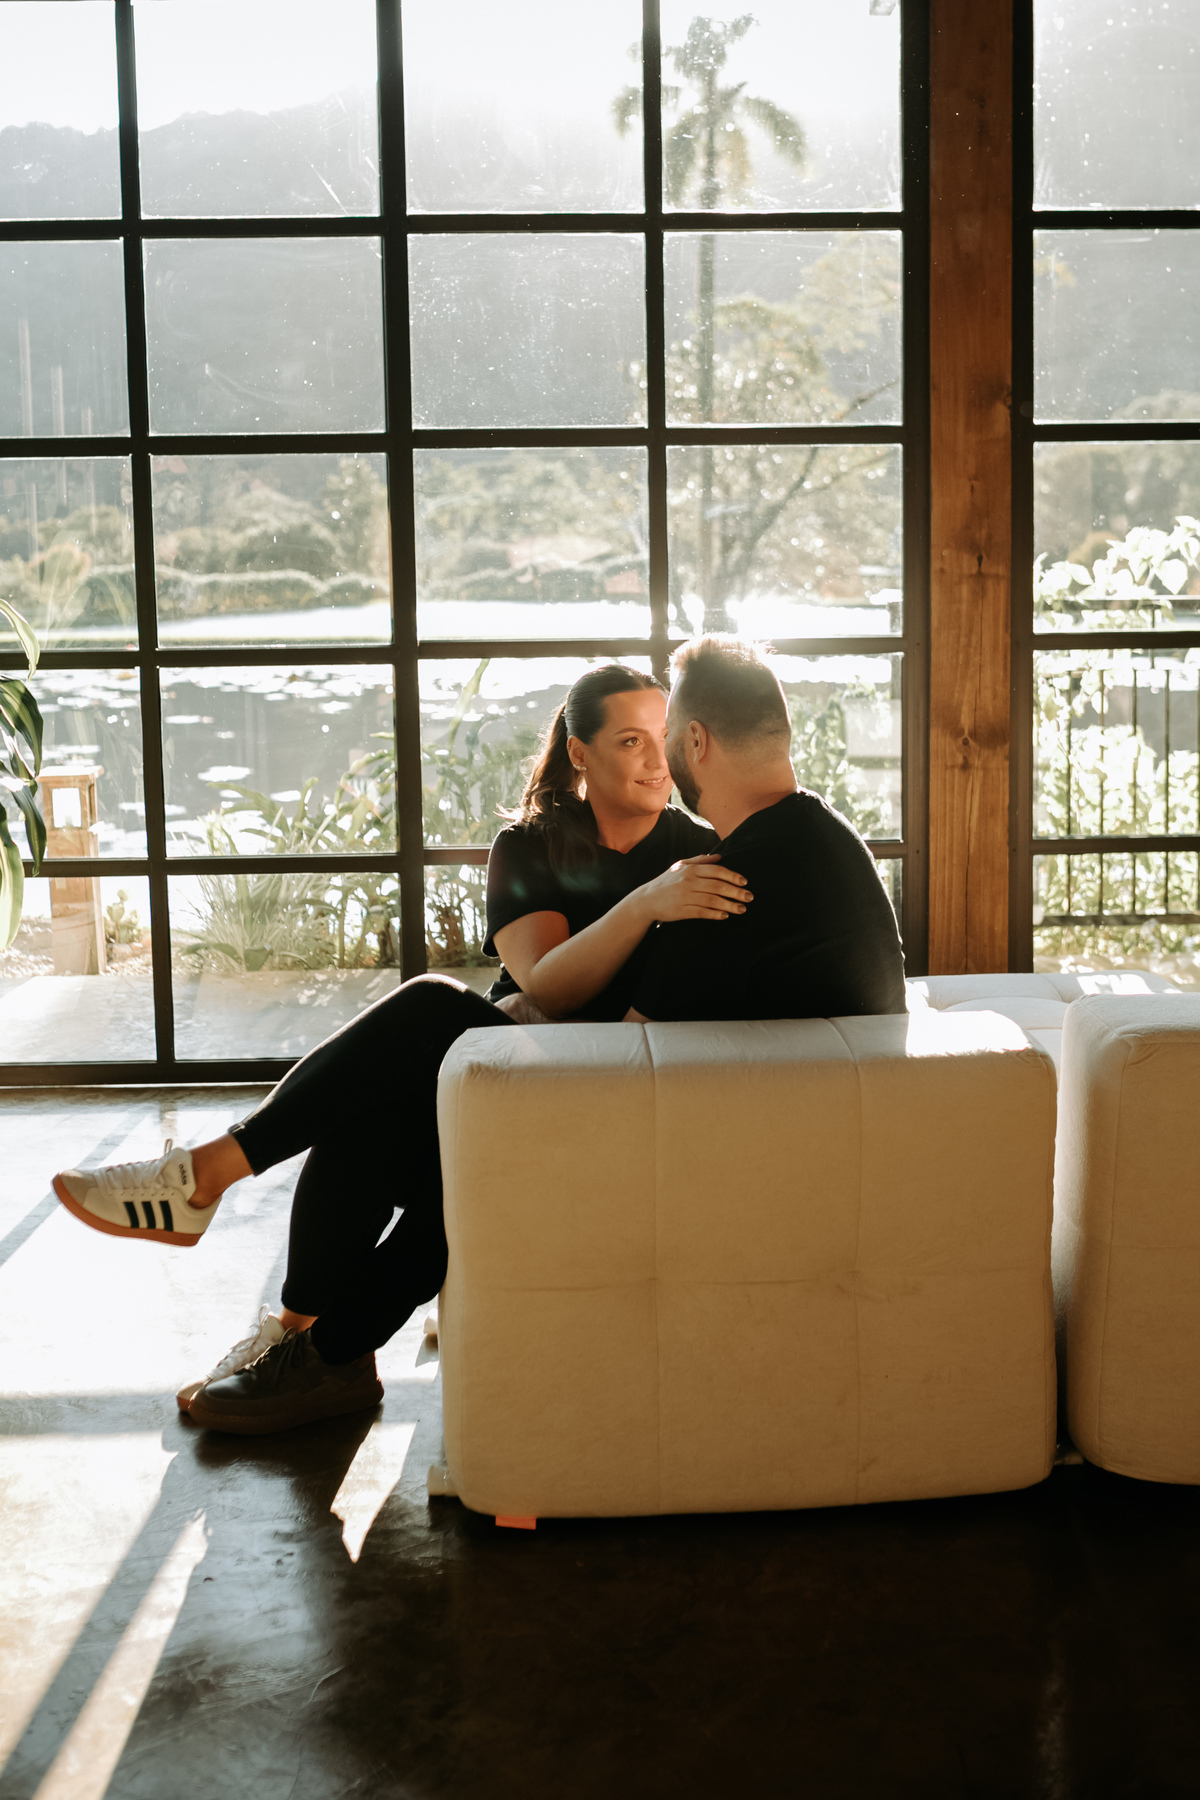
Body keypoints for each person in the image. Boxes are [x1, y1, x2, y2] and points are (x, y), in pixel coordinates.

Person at [49, 664, 750, 1434]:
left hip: (592, 1089)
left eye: (662, 738)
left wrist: (647, 904)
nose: (656, 760)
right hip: (501, 1070)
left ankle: (213, 1189)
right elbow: (546, 984)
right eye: (630, 740)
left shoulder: (701, 855)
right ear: (580, 753)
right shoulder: (530, 845)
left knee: (430, 1009)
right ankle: (300, 1338)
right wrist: (642, 908)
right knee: (368, 1123)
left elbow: (569, 998)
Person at [624, 635, 906, 1024]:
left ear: (697, 740)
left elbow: (632, 1048)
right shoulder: (833, 835)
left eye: (668, 733)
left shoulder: (720, 893)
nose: (665, 749)